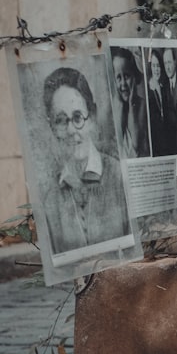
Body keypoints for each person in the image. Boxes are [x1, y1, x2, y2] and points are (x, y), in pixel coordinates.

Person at [40, 66, 130, 254]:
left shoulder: (120, 177)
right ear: (52, 128)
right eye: (61, 120)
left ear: (92, 116)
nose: (72, 130)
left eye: (78, 117)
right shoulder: (50, 199)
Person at [110, 47, 150, 159]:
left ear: (134, 76)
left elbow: (136, 146)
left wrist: (132, 107)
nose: (123, 84)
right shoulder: (115, 108)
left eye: (127, 76)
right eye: (118, 77)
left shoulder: (143, 105)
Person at [147, 48, 177, 156]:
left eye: (158, 66)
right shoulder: (148, 91)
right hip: (157, 148)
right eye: (153, 66)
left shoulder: (164, 87)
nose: (156, 69)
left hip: (171, 145)